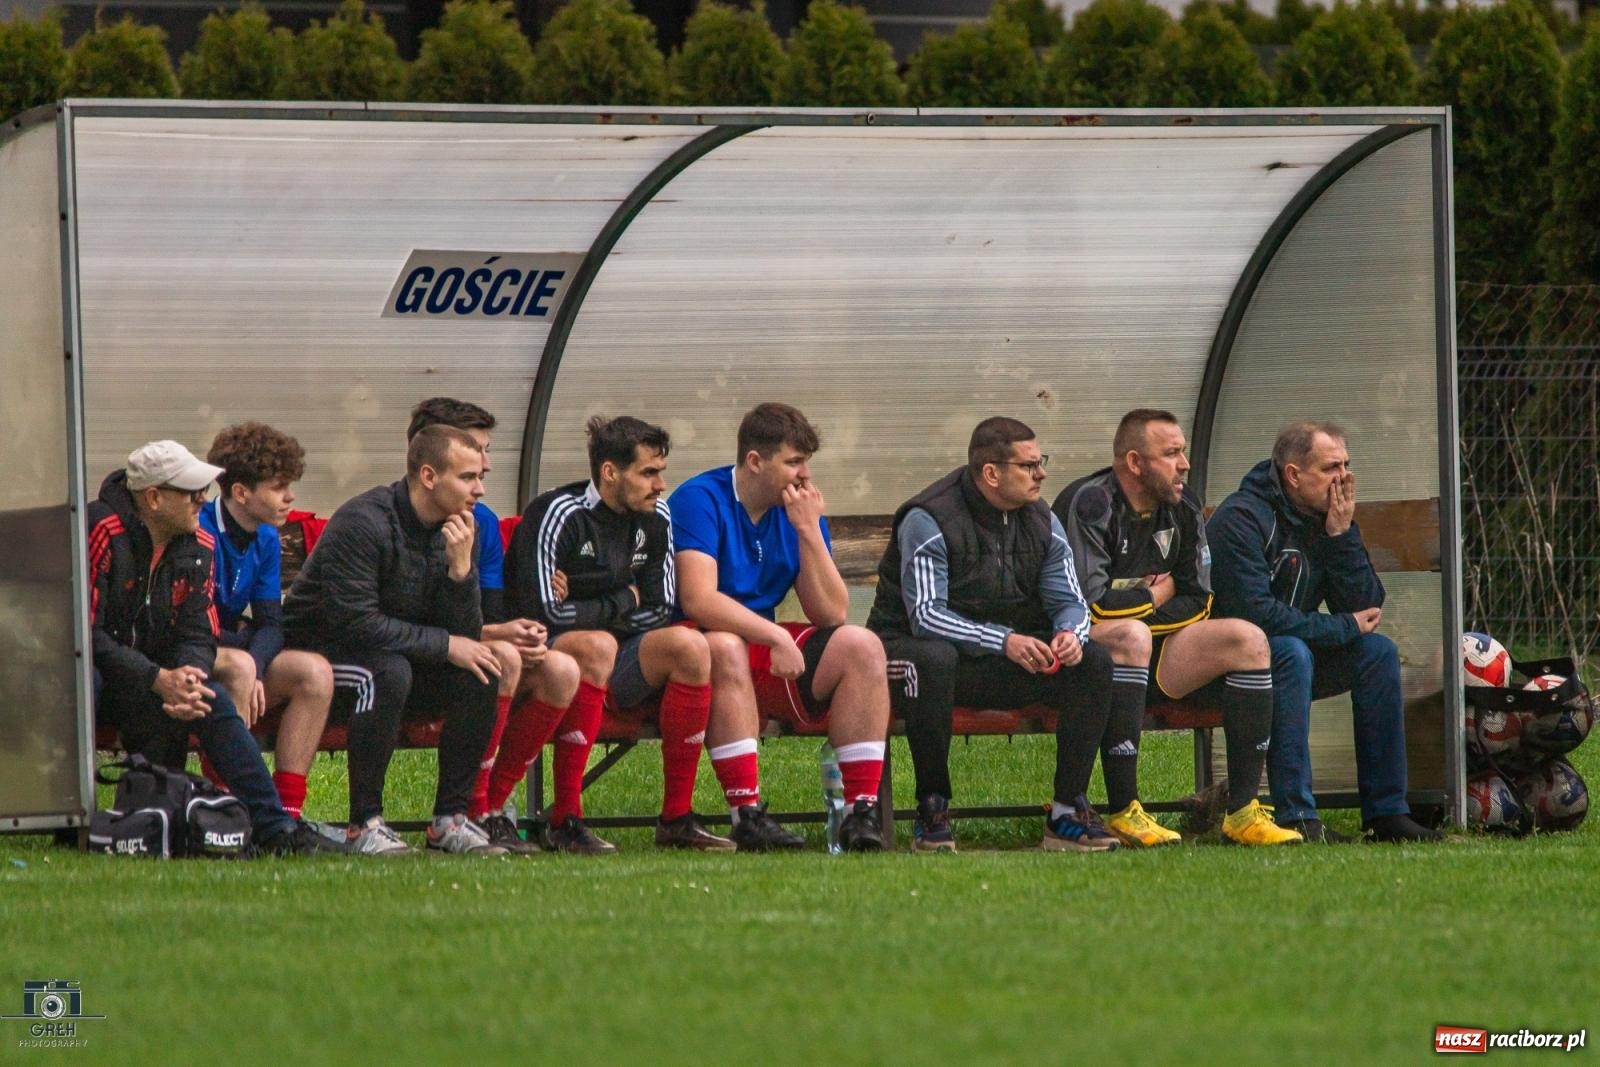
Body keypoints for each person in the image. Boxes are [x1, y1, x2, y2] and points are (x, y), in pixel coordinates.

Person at [868, 416, 1118, 853]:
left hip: (1003, 659)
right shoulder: (929, 518)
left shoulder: (1042, 518)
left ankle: (1066, 813)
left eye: (1042, 462)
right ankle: (932, 809)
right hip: (907, 657)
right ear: (991, 473)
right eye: (1030, 465)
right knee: (934, 659)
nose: (1042, 474)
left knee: (1094, 660)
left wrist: (1070, 636)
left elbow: (1071, 600)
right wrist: (1004, 641)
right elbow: (927, 616)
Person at [1054, 409, 1300, 848]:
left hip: (1162, 648)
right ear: (1134, 463)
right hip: (1082, 654)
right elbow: (1088, 607)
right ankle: (1124, 810)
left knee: (1249, 639)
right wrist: (1154, 596)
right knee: (1132, 635)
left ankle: (1242, 812)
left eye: (1183, 451)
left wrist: (1143, 605)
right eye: (1171, 453)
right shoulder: (1091, 504)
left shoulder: (1184, 506)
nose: (1184, 463)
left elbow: (1200, 598)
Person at [88, 440, 343, 855]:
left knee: (212, 698)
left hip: (155, 673)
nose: (202, 500)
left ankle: (276, 828)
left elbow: (197, 634)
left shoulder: (197, 541)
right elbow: (85, 636)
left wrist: (188, 674)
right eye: (192, 493)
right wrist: (156, 678)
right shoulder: (103, 530)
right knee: (85, 688)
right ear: (153, 498)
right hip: (98, 671)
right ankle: (74, 820)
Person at [501, 415, 732, 852]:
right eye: (648, 472)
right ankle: (565, 818)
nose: (660, 485)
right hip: (549, 657)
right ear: (610, 472)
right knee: (597, 644)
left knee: (691, 646)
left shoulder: (656, 516)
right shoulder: (556, 514)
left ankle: (676, 820)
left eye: (661, 472)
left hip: (621, 654)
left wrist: (590, 603)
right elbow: (540, 614)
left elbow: (662, 609)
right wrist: (625, 598)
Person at [1206, 420, 1442, 843]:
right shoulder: (1240, 518)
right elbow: (1254, 615)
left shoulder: (1325, 518)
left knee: (1378, 653)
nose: (1344, 479)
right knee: (1291, 651)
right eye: (1331, 467)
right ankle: (1296, 815)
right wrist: (1341, 626)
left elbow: (1366, 606)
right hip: (1234, 669)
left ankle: (1387, 812)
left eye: (1347, 465)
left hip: (1298, 653)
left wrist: (1341, 535)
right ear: (1294, 475)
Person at [669, 403, 889, 852]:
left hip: (760, 653)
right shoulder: (699, 499)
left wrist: (808, 531)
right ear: (755, 461)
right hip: (695, 655)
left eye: (806, 462)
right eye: (793, 462)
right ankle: (746, 815)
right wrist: (773, 636)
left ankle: (860, 814)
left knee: (861, 645)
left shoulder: (797, 511)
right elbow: (698, 599)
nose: (804, 475)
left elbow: (831, 614)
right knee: (727, 644)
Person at [283, 425, 510, 855]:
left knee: (481, 667)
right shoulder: (364, 522)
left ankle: (450, 821)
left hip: (398, 655)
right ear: (428, 476)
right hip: (322, 652)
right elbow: (356, 623)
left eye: (480, 477)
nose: (479, 489)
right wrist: (445, 646)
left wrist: (461, 573)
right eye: (468, 477)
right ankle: (363, 825)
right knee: (387, 671)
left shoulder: (463, 529)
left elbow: (463, 635)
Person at [405, 397, 562, 854]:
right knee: (504, 658)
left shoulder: (484, 523)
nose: (486, 465)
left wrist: (516, 629)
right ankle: (471, 808)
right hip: (412, 661)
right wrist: (501, 636)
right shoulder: (394, 515)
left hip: (467, 646)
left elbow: (485, 612)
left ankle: (495, 807)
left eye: (485, 453)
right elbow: (409, 619)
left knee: (560, 669)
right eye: (474, 452)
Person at [200, 422, 334, 824]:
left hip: (237, 655)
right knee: (239, 667)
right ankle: (232, 808)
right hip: (190, 653)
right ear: (240, 492)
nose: (290, 497)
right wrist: (243, 656)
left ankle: (287, 815)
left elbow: (272, 623)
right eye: (279, 487)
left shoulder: (266, 536)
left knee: (315, 672)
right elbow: (193, 625)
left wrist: (256, 666)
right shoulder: (200, 528)